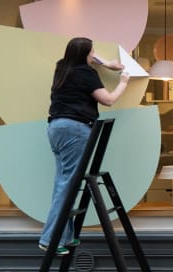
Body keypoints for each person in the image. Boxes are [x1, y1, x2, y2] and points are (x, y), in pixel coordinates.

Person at [38, 37, 130, 256]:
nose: (94, 55)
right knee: (68, 186)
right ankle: (49, 240)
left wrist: (108, 63)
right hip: (75, 129)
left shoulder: (62, 67)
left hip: (56, 128)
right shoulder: (86, 74)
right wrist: (123, 82)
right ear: (85, 55)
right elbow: (108, 100)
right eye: (92, 52)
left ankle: (64, 236)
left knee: (63, 184)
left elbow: (89, 56)